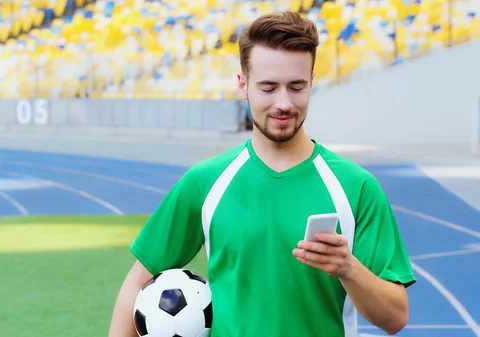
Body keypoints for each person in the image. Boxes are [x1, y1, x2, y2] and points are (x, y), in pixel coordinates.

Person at [108, 11, 416, 337]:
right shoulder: (205, 182)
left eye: (296, 86)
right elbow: (138, 281)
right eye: (268, 87)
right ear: (243, 85)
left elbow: (394, 318)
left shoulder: (357, 188)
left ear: (312, 81)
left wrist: (347, 268)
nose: (283, 103)